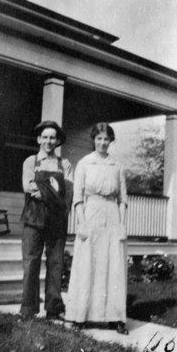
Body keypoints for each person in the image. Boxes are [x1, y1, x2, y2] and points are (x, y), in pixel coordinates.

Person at [65, 122, 129, 334]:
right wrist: (82, 222)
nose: (102, 143)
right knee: (87, 263)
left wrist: (121, 224)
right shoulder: (84, 164)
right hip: (91, 213)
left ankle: (115, 318)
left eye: (106, 139)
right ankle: (81, 316)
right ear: (93, 140)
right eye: (99, 138)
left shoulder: (117, 166)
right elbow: (77, 198)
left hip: (111, 215)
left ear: (111, 141)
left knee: (113, 266)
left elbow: (122, 199)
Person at [20, 121, 73, 321]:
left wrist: (43, 190)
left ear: (57, 140)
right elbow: (28, 187)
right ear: (39, 139)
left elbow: (67, 192)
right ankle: (28, 309)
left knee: (56, 263)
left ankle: (53, 308)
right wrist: (53, 190)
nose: (49, 141)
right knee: (31, 262)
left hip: (57, 219)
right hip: (33, 218)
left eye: (52, 137)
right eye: (45, 137)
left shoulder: (65, 164)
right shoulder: (30, 162)